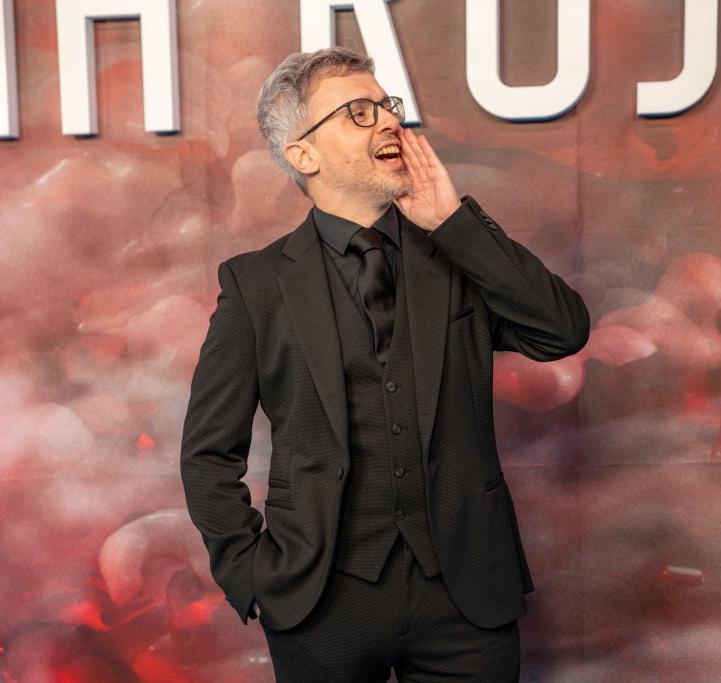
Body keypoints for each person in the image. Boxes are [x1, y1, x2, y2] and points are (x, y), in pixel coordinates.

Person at [180, 46, 590, 682]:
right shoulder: (255, 287)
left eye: (387, 107)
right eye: (359, 113)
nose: (390, 123)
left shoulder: (458, 254)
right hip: (319, 604)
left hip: (467, 598)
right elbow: (209, 453)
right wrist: (251, 575)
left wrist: (454, 223)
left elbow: (561, 332)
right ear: (304, 155)